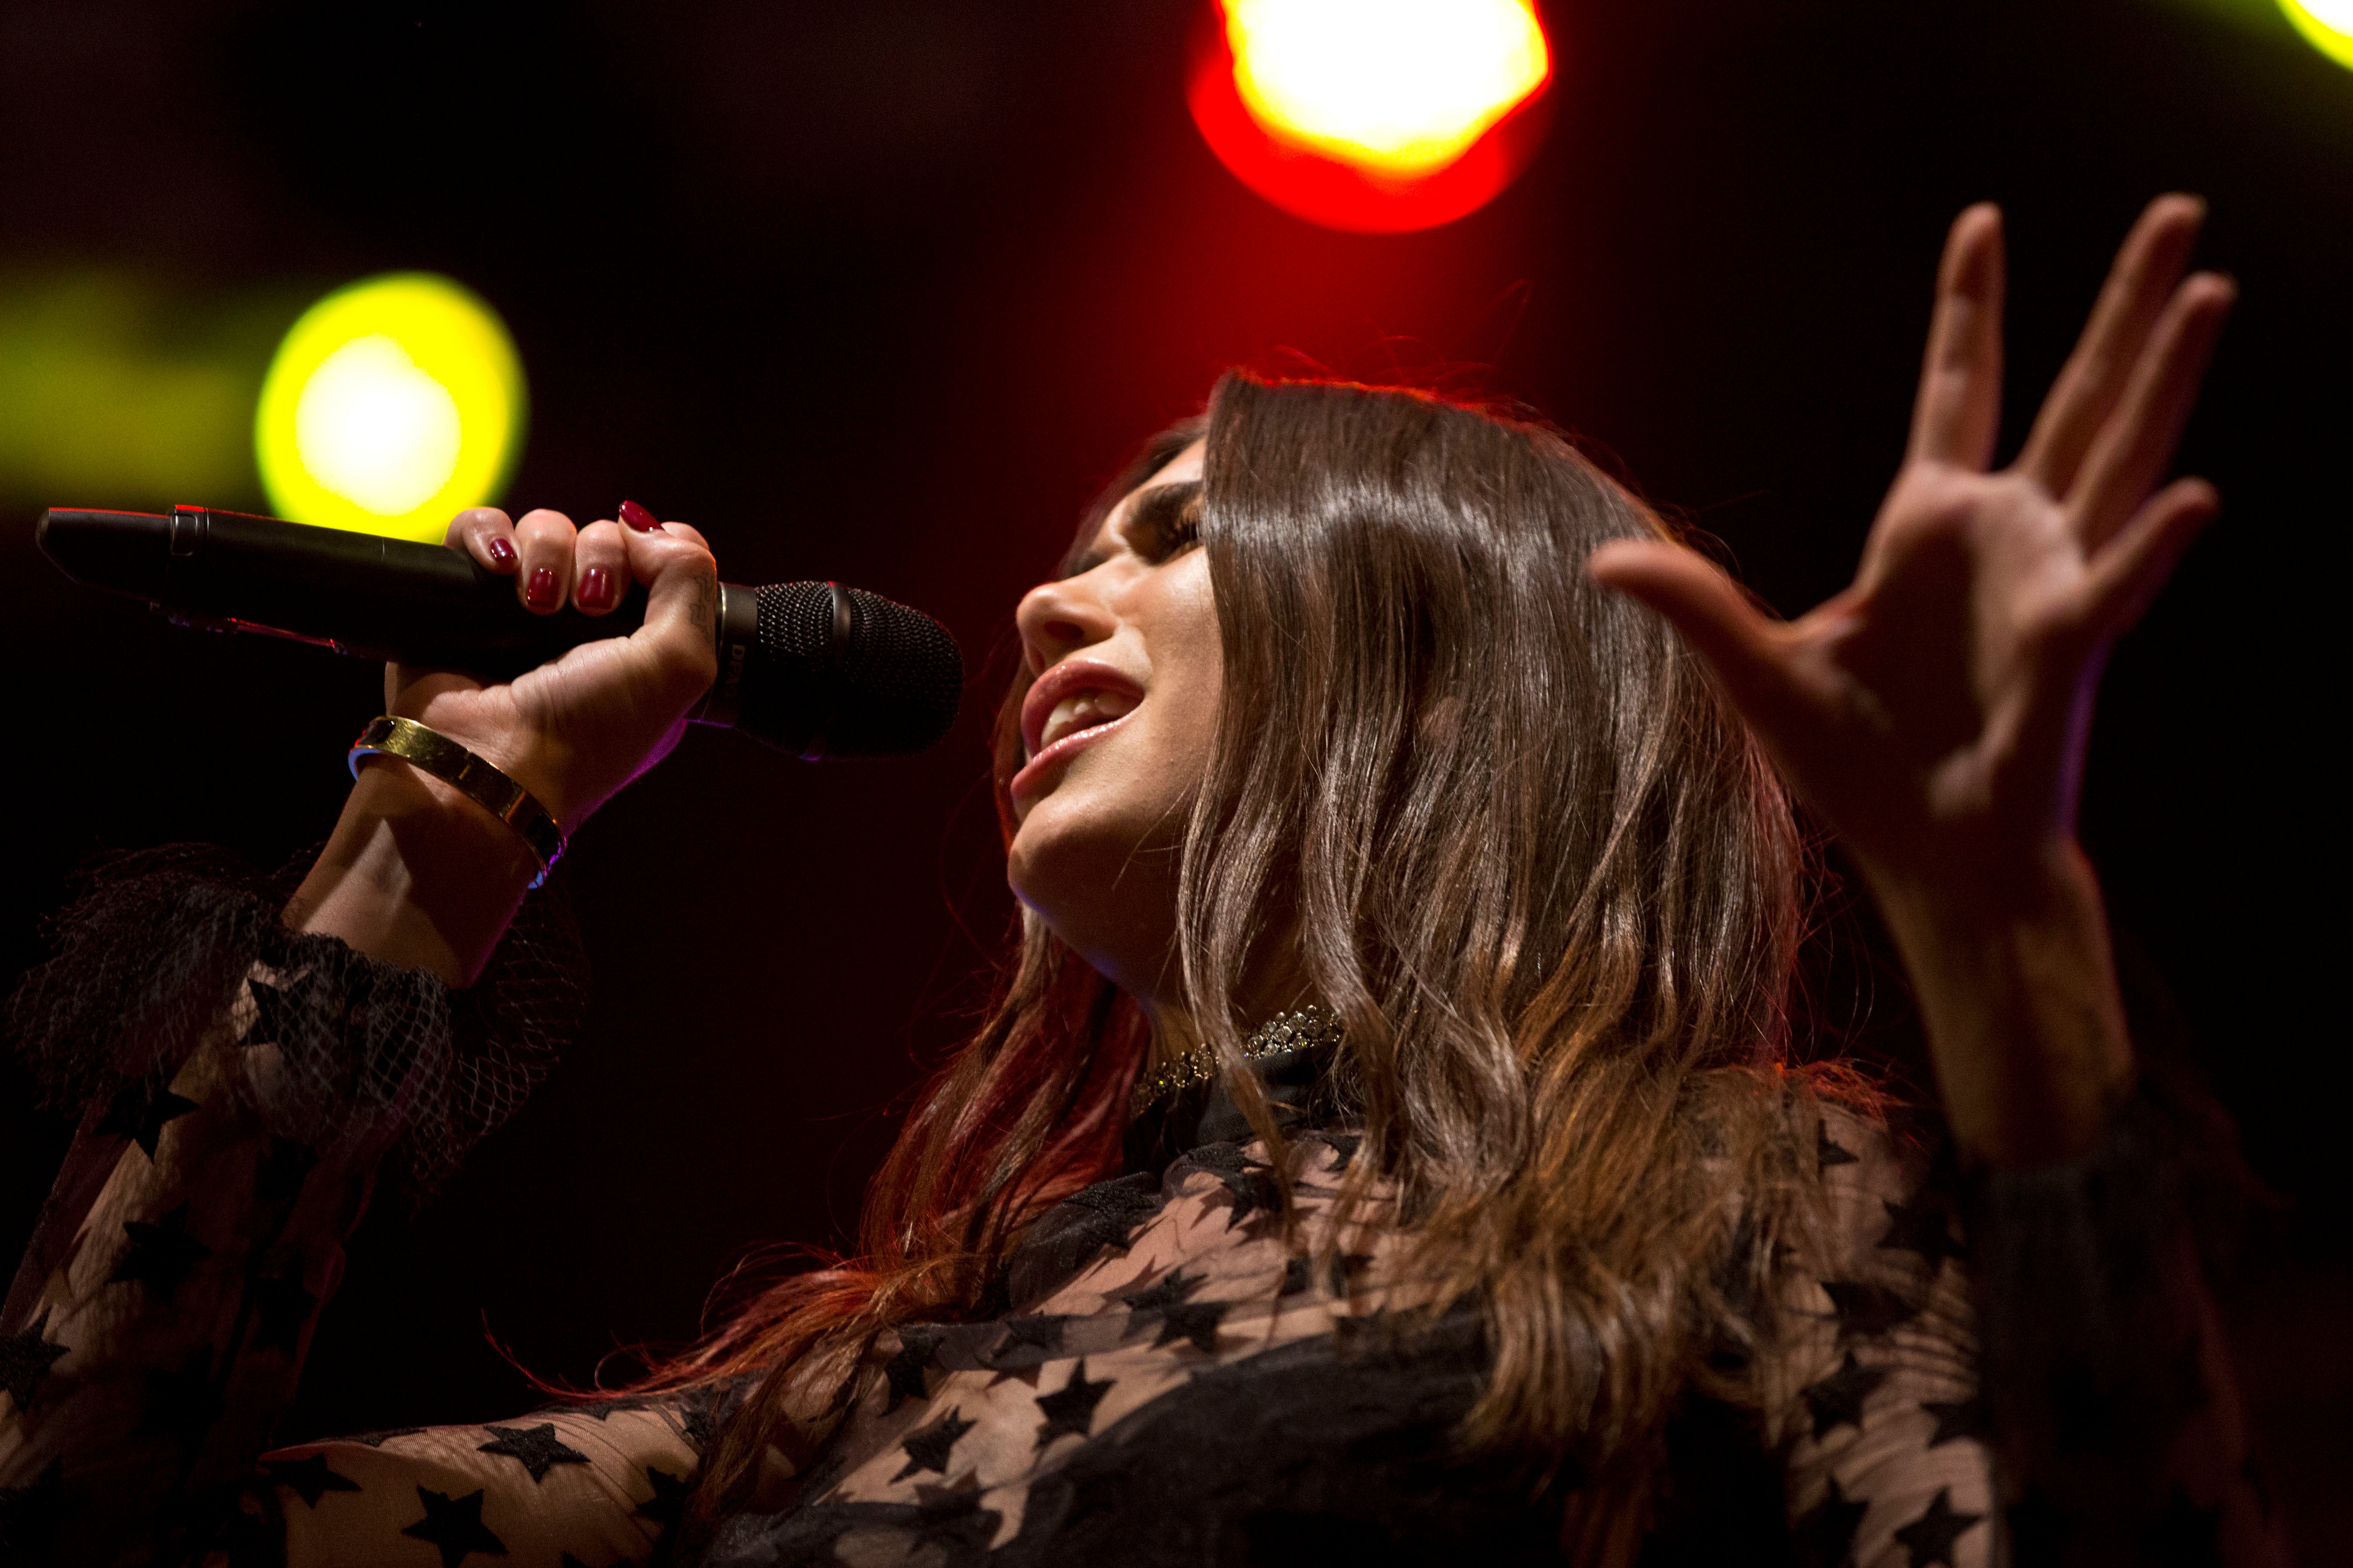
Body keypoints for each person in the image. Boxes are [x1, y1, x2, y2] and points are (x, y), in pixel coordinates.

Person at [0, 197, 2282, 1566]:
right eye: (1075, 553)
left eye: (1179, 541)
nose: (1051, 608)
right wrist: (439, 814)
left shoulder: (1741, 1204)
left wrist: (2005, 957)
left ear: (1440, 657)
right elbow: (90, 1513)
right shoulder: (873, 1376)